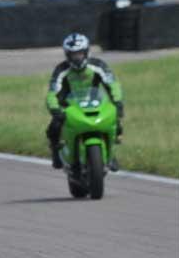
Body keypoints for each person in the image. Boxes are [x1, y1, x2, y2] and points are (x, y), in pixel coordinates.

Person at [45, 33, 124, 170]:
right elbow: (52, 93)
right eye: (73, 54)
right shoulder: (61, 70)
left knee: (116, 123)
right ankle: (56, 154)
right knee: (54, 128)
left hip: (95, 102)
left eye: (80, 53)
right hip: (70, 106)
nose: (77, 57)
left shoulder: (99, 65)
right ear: (67, 55)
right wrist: (55, 109)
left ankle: (111, 155)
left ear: (86, 52)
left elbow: (113, 84)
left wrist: (117, 102)